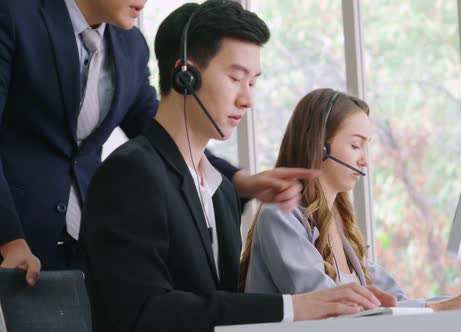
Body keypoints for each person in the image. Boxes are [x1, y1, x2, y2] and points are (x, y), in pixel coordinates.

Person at [80, 2, 397, 332]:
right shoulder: (130, 175)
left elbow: (222, 309)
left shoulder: (222, 191)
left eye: (253, 83)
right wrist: (294, 306)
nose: (248, 99)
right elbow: (144, 313)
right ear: (185, 75)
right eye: (236, 78)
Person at [0, 0, 313, 285]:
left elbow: (158, 128)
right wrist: (9, 239)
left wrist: (241, 181)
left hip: (81, 246)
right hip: (16, 244)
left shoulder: (130, 45)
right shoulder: (14, 14)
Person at [240, 88, 461, 310]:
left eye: (366, 147)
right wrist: (442, 307)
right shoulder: (280, 217)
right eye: (356, 145)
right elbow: (332, 308)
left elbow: (398, 302)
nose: (364, 161)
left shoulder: (342, 233)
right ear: (320, 147)